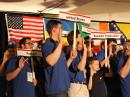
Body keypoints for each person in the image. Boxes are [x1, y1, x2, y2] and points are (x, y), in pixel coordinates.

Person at [42, 20, 76, 97]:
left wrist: (70, 59)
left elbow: (63, 67)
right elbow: (51, 62)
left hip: (64, 88)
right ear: (54, 30)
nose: (62, 30)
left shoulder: (58, 45)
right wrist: (60, 43)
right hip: (56, 90)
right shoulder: (48, 44)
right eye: (60, 28)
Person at [64, 30, 89, 97]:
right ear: (75, 39)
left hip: (83, 85)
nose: (82, 39)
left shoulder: (79, 52)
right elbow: (81, 67)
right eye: (80, 37)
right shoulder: (72, 51)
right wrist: (85, 51)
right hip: (76, 86)